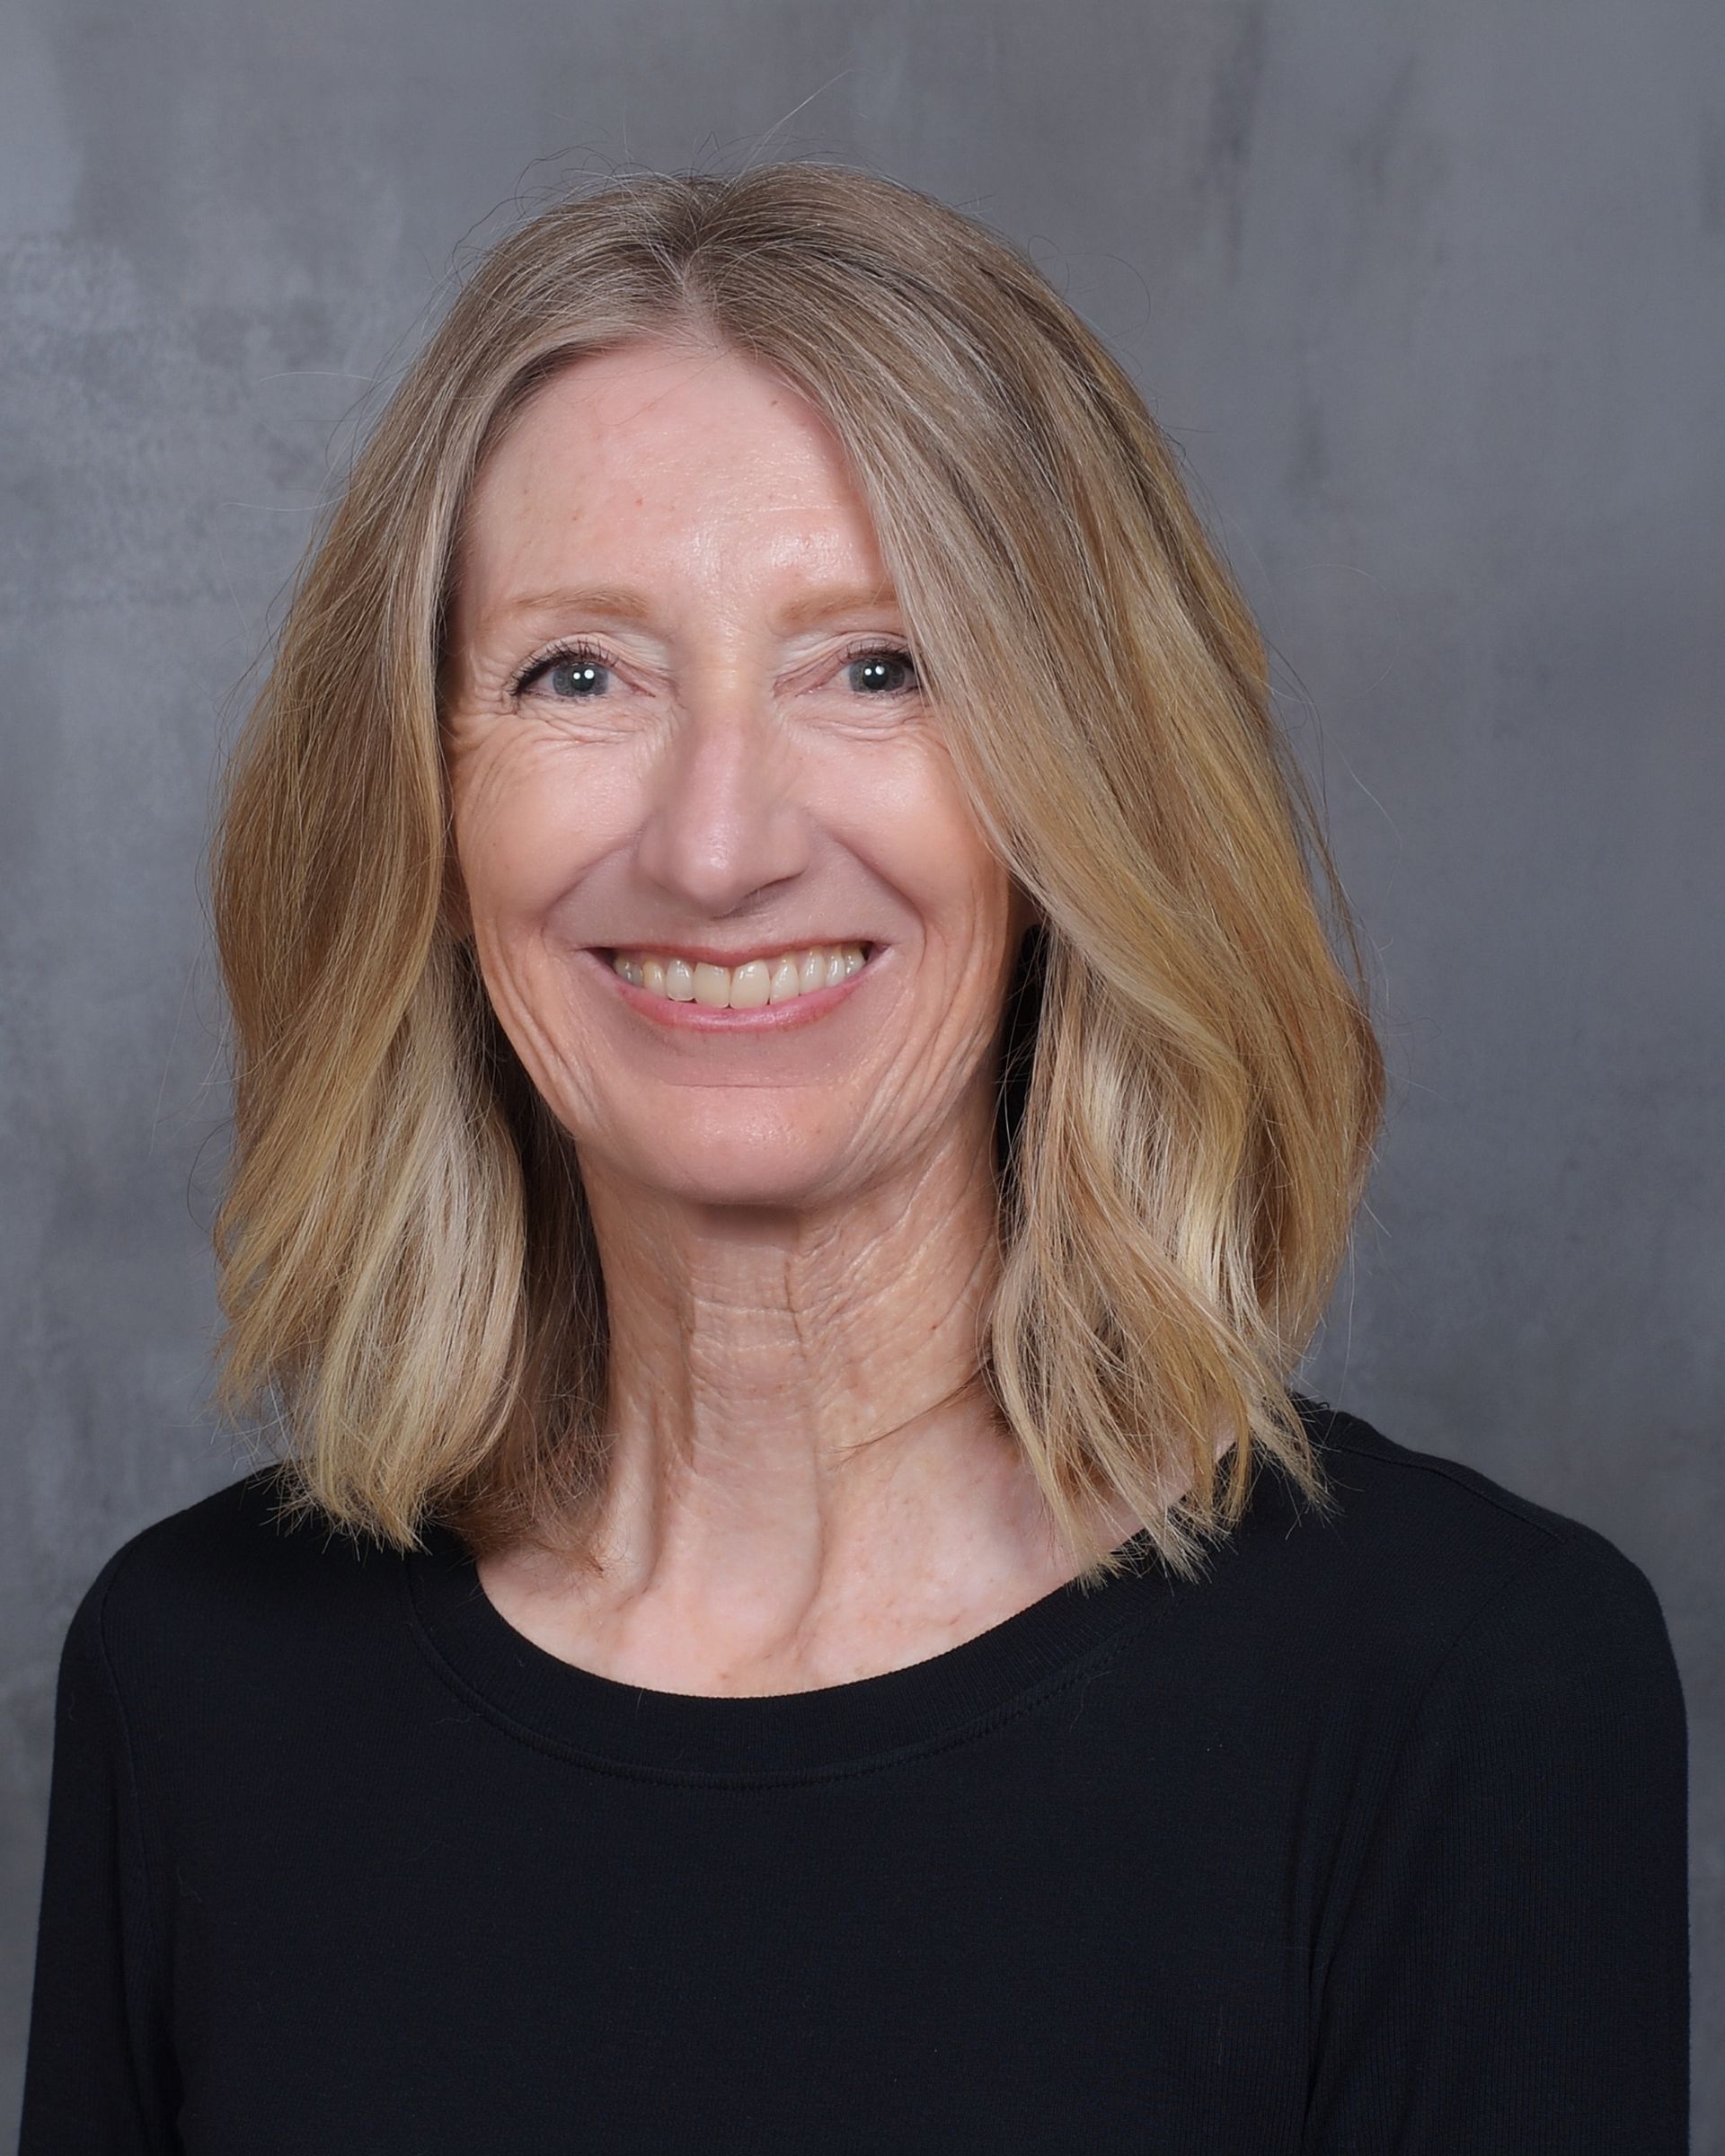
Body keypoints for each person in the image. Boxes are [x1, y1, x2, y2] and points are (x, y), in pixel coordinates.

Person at [20, 162, 1687, 2152]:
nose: (721, 843)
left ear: (1084, 798)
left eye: (878, 665)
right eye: (582, 674)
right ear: (426, 822)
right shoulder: (199, 1687)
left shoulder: (1465, 1695)